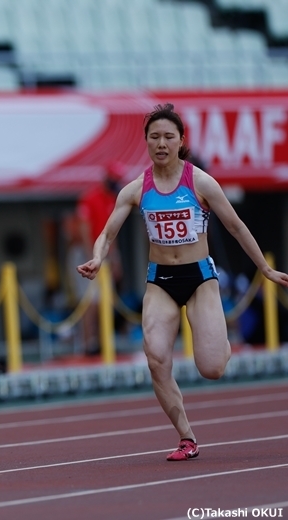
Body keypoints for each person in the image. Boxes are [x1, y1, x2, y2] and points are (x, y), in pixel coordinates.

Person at [77, 103, 288, 461]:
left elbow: (236, 226)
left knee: (212, 369)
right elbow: (107, 233)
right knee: (156, 358)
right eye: (154, 137)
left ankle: (219, 342)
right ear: (146, 142)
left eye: (168, 137)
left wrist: (264, 270)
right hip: (160, 281)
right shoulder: (134, 190)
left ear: (180, 141)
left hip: (200, 277)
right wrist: (98, 256)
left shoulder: (200, 182)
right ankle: (186, 437)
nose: (161, 143)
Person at [74, 162, 123, 355]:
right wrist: (91, 257)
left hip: (103, 252)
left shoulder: (112, 199)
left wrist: (115, 259)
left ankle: (104, 342)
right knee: (90, 301)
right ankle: (88, 343)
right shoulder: (90, 198)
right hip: (88, 252)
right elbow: (84, 229)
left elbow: (113, 232)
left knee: (106, 301)